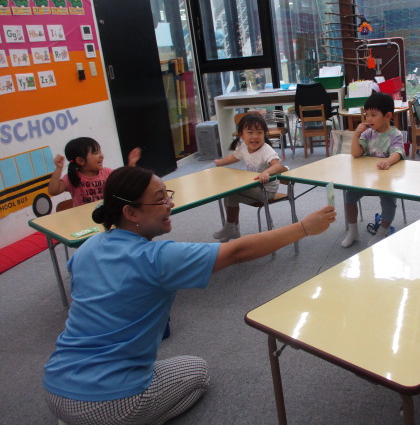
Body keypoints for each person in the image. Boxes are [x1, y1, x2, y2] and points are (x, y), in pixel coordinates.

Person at [43, 166, 336, 425]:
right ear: (131, 213)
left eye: (167, 195)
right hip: (115, 401)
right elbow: (237, 251)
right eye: (160, 199)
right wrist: (303, 227)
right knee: (198, 371)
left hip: (55, 386)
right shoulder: (158, 257)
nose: (170, 204)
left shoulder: (88, 248)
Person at [341, 92, 405, 248]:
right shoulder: (368, 134)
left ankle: (381, 232)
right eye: (366, 114)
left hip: (387, 180)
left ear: (387, 116)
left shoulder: (395, 135)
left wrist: (388, 161)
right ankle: (353, 231)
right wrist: (356, 134)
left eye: (373, 115)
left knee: (389, 202)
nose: (368, 119)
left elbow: (398, 152)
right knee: (349, 197)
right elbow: (356, 153)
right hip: (367, 179)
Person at [212, 113, 287, 242]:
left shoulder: (266, 150)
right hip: (255, 186)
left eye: (259, 132)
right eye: (250, 132)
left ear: (264, 134)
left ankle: (231, 227)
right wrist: (220, 162)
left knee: (231, 192)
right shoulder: (243, 147)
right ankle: (232, 228)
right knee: (229, 194)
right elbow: (234, 157)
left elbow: (277, 166)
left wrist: (266, 173)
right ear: (242, 135)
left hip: (267, 191)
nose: (255, 136)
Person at [48, 137, 141, 207]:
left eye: (100, 152)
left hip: (105, 216)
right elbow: (53, 191)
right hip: (83, 220)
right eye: (96, 153)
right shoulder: (72, 177)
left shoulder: (107, 172)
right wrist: (58, 168)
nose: (101, 156)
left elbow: (127, 181)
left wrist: (132, 164)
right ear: (80, 161)